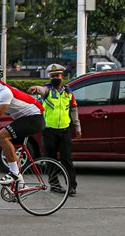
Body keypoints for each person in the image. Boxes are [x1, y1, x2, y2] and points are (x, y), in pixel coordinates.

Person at [27, 64, 81, 195]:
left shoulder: (68, 92)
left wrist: (77, 126)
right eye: (53, 76)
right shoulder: (48, 90)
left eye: (58, 75)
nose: (56, 78)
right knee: (50, 159)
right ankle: (54, 184)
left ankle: (72, 186)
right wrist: (35, 88)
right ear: (49, 77)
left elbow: (74, 110)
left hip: (64, 130)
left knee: (66, 160)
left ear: (62, 76)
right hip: (49, 131)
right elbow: (41, 90)